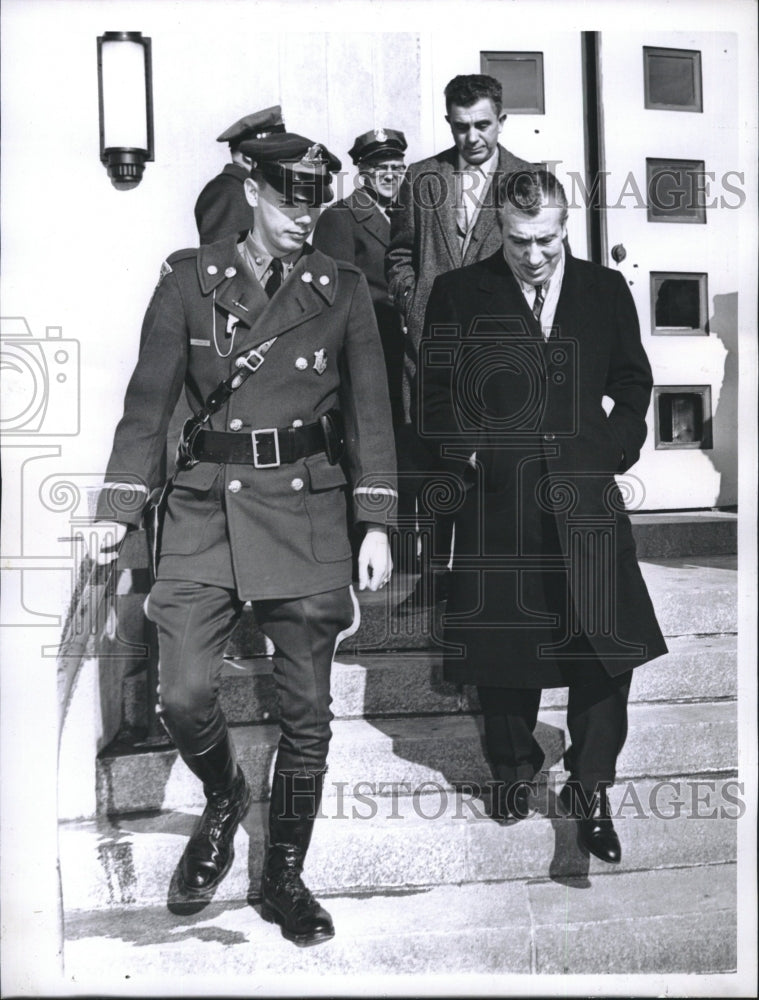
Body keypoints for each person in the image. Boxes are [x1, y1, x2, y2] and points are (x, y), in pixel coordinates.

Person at [93, 133, 397, 947]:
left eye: (315, 202)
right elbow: (149, 403)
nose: (304, 216)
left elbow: (371, 411)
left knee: (307, 720)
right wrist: (118, 507)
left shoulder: (341, 287)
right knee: (184, 694)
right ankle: (225, 795)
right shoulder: (189, 281)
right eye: (290, 199)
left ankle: (283, 876)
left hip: (306, 512)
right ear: (253, 191)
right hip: (205, 510)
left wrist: (375, 520)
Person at [418, 169, 668, 863]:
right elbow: (433, 398)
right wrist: (471, 454)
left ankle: (590, 789)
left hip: (586, 497)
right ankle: (511, 769)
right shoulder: (458, 292)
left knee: (604, 649)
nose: (533, 256)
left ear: (565, 228)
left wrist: (612, 447)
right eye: (519, 241)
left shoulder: (603, 290)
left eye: (546, 241)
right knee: (504, 650)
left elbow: (632, 382)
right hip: (500, 501)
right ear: (499, 228)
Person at [385, 74, 532, 606]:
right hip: (431, 350)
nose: (472, 137)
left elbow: (541, 260)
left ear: (502, 121)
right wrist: (413, 302)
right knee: (434, 462)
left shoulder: (528, 180)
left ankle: (485, 580)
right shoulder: (424, 176)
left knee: (491, 466)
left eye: (483, 125)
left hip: (498, 355)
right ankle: (432, 576)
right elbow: (399, 254)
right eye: (460, 126)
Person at [313, 127, 407, 429]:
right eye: (381, 168)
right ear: (363, 172)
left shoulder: (407, 216)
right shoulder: (339, 217)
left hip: (405, 351)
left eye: (397, 168)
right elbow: (334, 301)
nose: (391, 175)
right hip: (368, 350)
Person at [194, 105, 286, 244]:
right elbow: (223, 254)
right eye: (275, 154)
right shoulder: (228, 192)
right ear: (249, 155)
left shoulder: (245, 189)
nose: (281, 161)